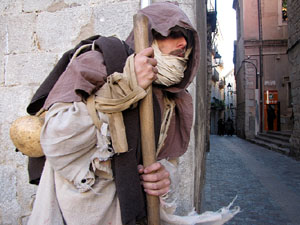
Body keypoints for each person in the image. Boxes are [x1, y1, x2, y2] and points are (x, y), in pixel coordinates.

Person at [28, 2, 239, 225]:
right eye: (173, 33)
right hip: (78, 212)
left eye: (187, 37)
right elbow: (55, 140)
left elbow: (167, 162)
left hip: (135, 215)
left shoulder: (170, 99)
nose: (184, 42)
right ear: (150, 36)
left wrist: (163, 178)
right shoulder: (98, 61)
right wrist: (125, 87)